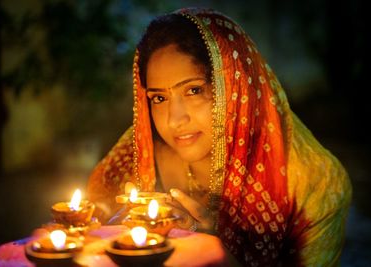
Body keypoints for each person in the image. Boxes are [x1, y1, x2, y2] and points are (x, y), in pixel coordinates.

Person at [87, 7, 352, 266]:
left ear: (236, 86)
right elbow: (89, 232)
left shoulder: (316, 184)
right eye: (159, 98)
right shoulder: (138, 153)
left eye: (193, 90)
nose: (174, 119)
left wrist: (218, 255)